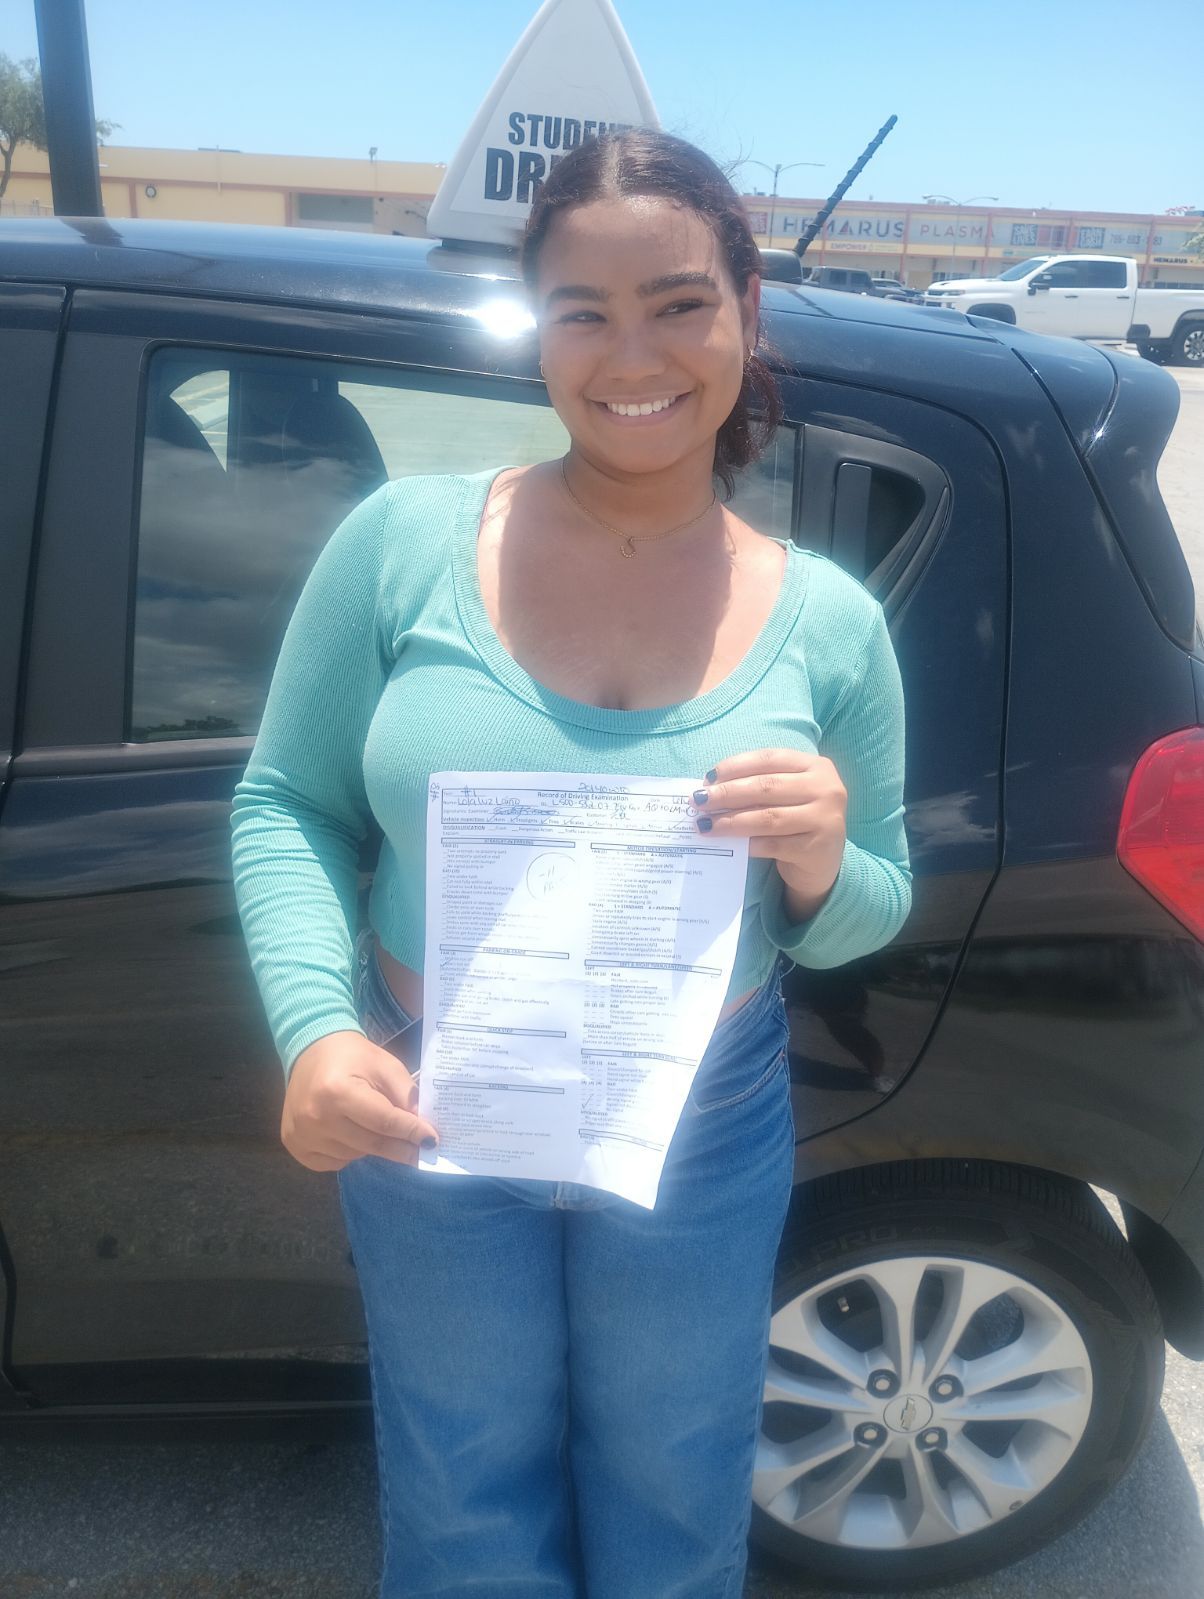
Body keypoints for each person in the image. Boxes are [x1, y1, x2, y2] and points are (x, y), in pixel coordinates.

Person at [229, 126, 912, 1599]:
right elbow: (286, 799)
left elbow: (869, 922)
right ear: (535, 329)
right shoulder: (402, 545)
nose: (631, 352)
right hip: (431, 1100)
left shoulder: (832, 623)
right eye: (582, 309)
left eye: (677, 301)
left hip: (697, 1116)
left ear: (745, 311)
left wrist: (820, 859)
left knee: (675, 1487)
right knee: (463, 1486)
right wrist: (312, 1029)